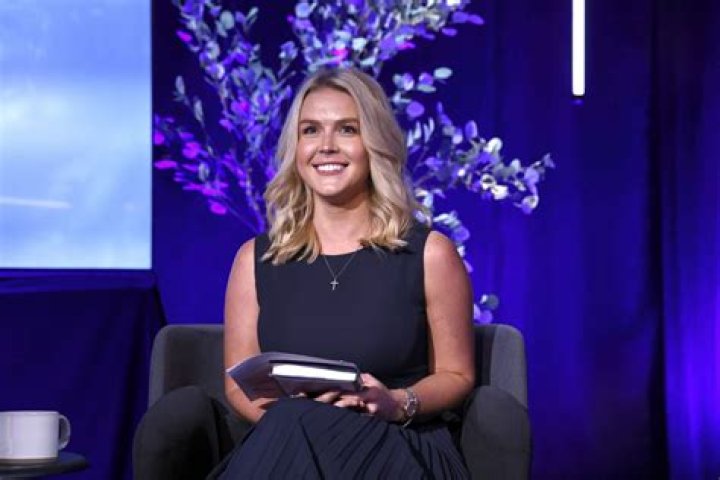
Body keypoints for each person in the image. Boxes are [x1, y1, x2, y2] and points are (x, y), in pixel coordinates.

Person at [211, 67, 476, 479]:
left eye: (348, 130)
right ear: (296, 148)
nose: (326, 146)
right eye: (311, 130)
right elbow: (238, 386)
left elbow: (457, 376)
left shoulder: (430, 253)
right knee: (295, 422)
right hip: (287, 445)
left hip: (400, 446)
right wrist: (307, 426)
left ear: (374, 144)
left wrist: (396, 402)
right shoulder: (254, 259)